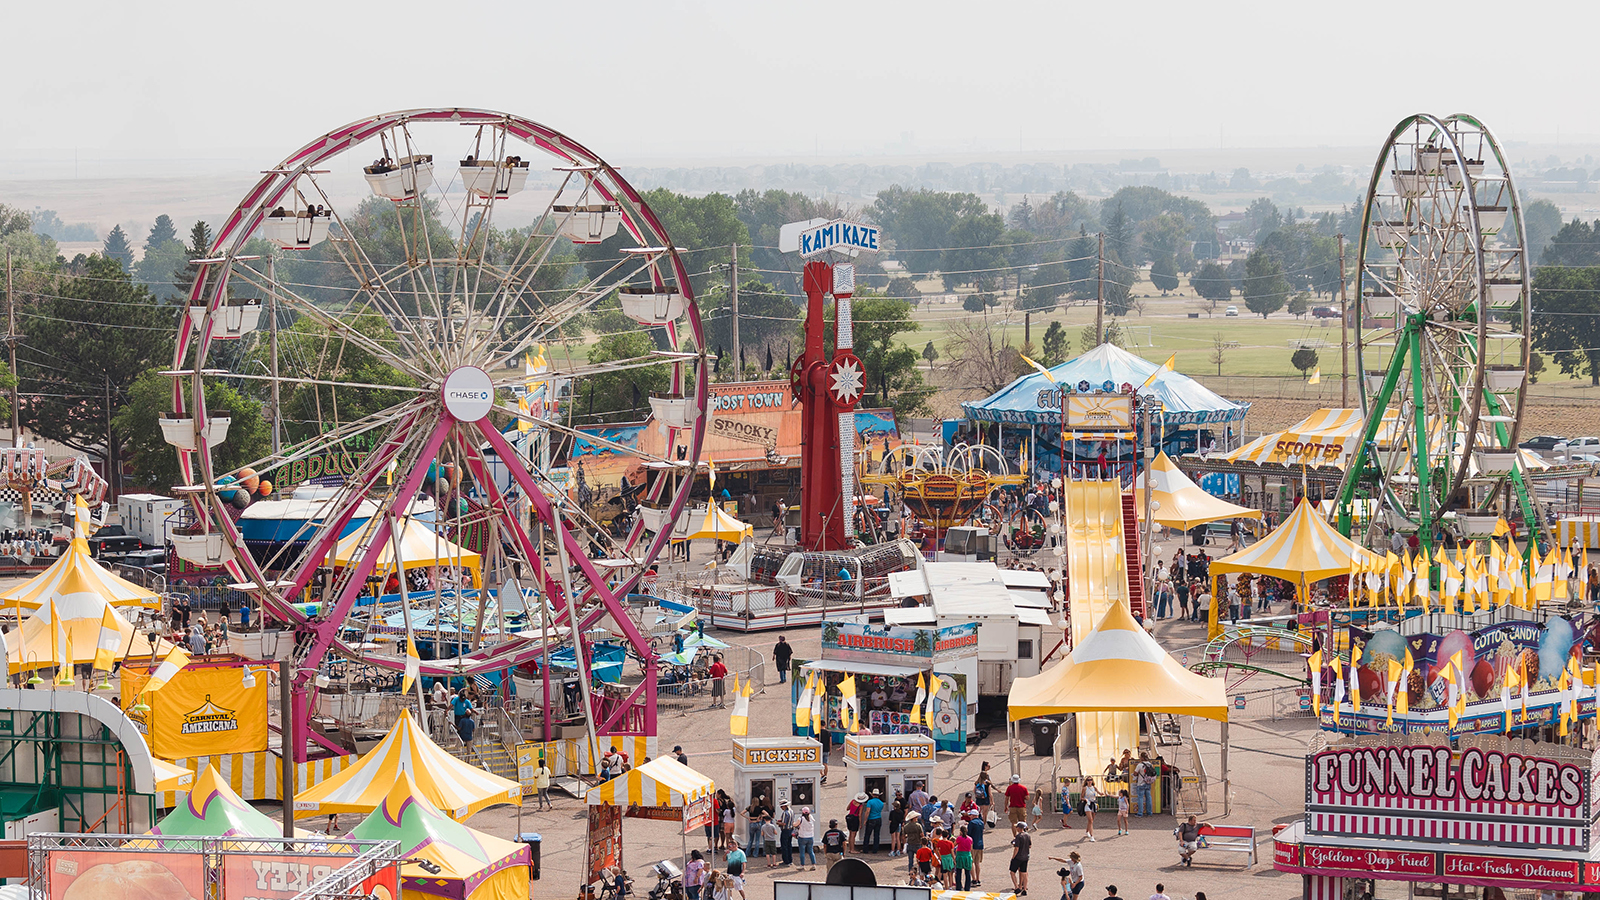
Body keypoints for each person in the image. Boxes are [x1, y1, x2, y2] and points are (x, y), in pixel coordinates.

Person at [1009, 821, 1031, 896]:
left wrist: (1013, 857)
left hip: (1018, 857)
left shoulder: (1018, 836)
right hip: (1026, 857)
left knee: (1012, 872)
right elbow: (1030, 846)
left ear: (1019, 828)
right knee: (1024, 873)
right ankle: (1024, 888)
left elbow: (1016, 848)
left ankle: (1016, 887)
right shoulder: (1028, 835)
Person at [953, 821, 975, 890]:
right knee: (967, 872)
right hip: (967, 855)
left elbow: (954, 845)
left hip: (960, 855)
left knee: (959, 872)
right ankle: (967, 887)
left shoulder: (959, 838)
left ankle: (959, 886)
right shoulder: (970, 839)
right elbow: (971, 848)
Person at [966, 807, 985, 886]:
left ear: (974, 815)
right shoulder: (981, 823)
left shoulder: (972, 823)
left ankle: (973, 879)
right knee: (977, 863)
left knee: (971, 862)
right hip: (980, 844)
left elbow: (969, 834)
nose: (970, 816)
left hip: (972, 844)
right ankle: (978, 878)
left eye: (971, 815)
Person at [863, 788, 885, 853]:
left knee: (867, 835)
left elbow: (867, 811)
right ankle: (875, 850)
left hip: (871, 819)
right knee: (876, 835)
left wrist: (865, 820)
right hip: (878, 819)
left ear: (872, 795)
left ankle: (865, 849)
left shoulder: (870, 802)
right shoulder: (881, 803)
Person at [796, 806, 817, 870]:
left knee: (802, 852)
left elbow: (795, 824)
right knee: (811, 851)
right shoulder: (811, 817)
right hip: (810, 837)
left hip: (802, 837)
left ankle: (802, 865)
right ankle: (813, 864)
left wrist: (793, 823)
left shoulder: (801, 818)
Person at [777, 799, 797, 867]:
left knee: (784, 846)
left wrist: (778, 823)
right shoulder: (792, 811)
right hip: (790, 829)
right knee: (789, 845)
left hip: (785, 830)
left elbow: (784, 823)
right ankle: (790, 860)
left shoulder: (785, 813)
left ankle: (786, 861)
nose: (781, 808)